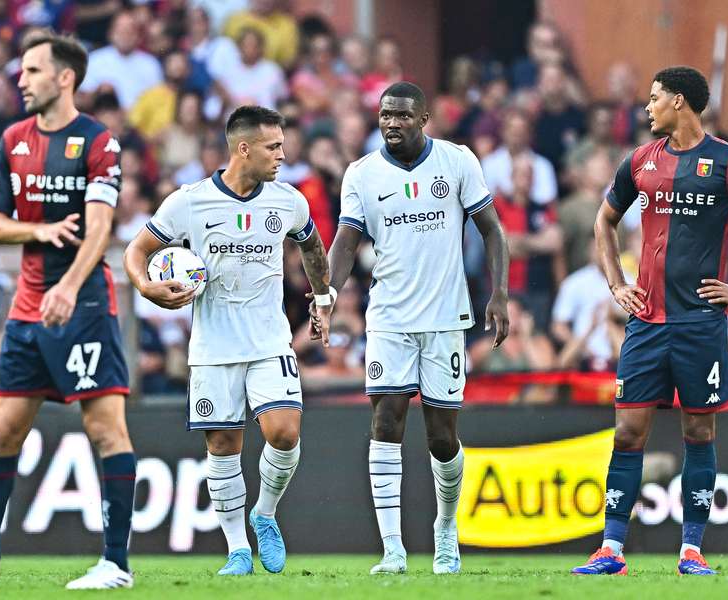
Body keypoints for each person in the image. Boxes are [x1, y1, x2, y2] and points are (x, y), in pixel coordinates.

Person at [573, 66, 728, 577]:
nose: (645, 108)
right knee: (628, 433)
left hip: (700, 323)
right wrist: (615, 283)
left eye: (653, 99)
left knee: (699, 430)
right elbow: (604, 221)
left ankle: (691, 551)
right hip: (646, 323)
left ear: (679, 102)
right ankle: (611, 549)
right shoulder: (640, 161)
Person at [0, 31, 136, 591]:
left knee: (106, 429)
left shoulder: (98, 141)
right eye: (21, 71)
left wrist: (70, 286)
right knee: (5, 430)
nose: (20, 79)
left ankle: (115, 564)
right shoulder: (12, 140)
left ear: (65, 78)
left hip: (83, 304)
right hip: (28, 306)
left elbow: (100, 227)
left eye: (32, 70)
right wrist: (35, 229)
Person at [123, 105, 332, 576]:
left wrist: (323, 296)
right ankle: (238, 548)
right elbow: (137, 251)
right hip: (214, 347)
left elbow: (313, 246)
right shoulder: (189, 202)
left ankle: (265, 513)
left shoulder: (287, 200)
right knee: (222, 444)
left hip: (269, 341)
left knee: (284, 432)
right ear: (243, 149)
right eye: (273, 147)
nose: (282, 154)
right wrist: (145, 285)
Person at [318, 82, 509, 575]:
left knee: (442, 437)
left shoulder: (457, 161)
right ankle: (394, 551)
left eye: (403, 116)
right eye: (385, 115)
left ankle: (446, 530)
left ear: (424, 119)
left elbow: (492, 230)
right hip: (389, 319)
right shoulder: (361, 174)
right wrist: (328, 294)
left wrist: (500, 293)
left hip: (445, 318)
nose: (392, 123)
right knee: (385, 424)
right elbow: (344, 241)